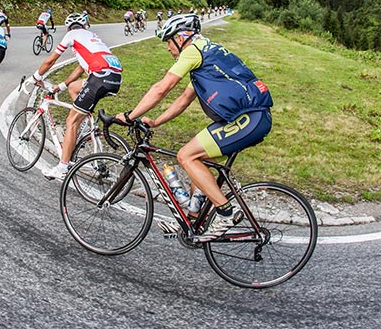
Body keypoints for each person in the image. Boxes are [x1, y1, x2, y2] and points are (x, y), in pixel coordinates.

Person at [116, 13, 273, 242]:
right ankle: (193, 220)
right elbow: (184, 99)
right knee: (197, 162)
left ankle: (226, 212)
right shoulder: (207, 54)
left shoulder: (193, 51)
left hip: (250, 118)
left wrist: (130, 116)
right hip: (249, 117)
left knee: (186, 156)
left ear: (181, 37)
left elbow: (162, 88)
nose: (168, 48)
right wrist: (156, 121)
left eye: (168, 42)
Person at [31, 12, 123, 180]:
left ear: (68, 28)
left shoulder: (71, 35)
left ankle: (62, 167)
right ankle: (86, 121)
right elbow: (81, 68)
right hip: (114, 77)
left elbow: (50, 61)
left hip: (99, 77)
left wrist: (36, 77)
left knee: (70, 122)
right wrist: (61, 86)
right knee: (74, 88)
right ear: (85, 26)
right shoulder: (92, 37)